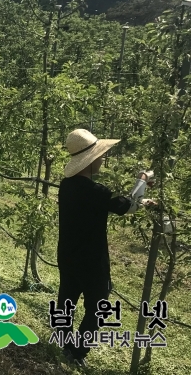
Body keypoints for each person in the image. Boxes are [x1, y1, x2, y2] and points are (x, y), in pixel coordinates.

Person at [56, 129, 155, 366]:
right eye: (99, 156)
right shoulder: (95, 192)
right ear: (89, 160)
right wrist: (142, 179)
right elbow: (127, 206)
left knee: (66, 301)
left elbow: (116, 203)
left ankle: (65, 344)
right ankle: (77, 352)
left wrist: (141, 201)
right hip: (92, 261)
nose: (102, 159)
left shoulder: (66, 186)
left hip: (67, 255)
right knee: (99, 307)